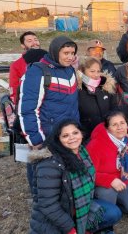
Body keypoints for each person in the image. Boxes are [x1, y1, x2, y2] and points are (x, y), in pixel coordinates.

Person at [29, 120, 121, 234]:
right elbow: (48, 206)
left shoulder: (82, 153)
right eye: (65, 135)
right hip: (53, 221)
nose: (72, 138)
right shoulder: (49, 164)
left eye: (75, 133)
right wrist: (70, 230)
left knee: (113, 213)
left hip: (78, 208)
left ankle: (85, 229)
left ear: (81, 134)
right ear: (58, 139)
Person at [19, 36, 80, 199]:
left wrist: (76, 131)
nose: (70, 57)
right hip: (47, 135)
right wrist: (36, 140)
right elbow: (28, 109)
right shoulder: (38, 71)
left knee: (63, 177)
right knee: (43, 176)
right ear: (55, 51)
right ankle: (40, 201)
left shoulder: (70, 70)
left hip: (68, 135)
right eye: (66, 52)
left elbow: (73, 105)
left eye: (72, 53)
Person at [86, 111, 128, 220]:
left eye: (122, 123)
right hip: (104, 184)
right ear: (107, 128)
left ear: (127, 124)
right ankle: (107, 210)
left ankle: (118, 207)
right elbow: (88, 173)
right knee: (108, 200)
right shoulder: (95, 145)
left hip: (126, 179)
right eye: (114, 125)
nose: (119, 127)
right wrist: (110, 180)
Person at [77, 57, 118, 139]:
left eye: (98, 71)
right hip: (88, 136)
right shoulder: (77, 90)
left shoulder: (107, 87)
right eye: (92, 71)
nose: (96, 75)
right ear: (83, 71)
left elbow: (114, 109)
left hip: (108, 133)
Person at [9, 31, 42, 104]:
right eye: (29, 41)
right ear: (23, 45)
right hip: (29, 103)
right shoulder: (16, 65)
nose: (34, 43)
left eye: (36, 40)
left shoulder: (49, 60)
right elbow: (14, 89)